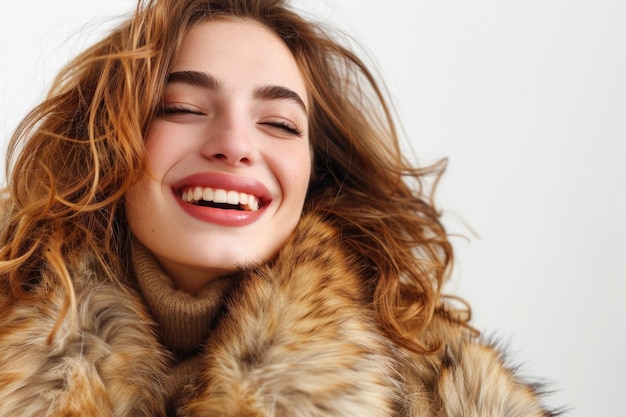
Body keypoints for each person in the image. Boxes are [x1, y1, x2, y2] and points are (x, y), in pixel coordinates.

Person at [0, 0, 560, 415]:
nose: (236, 144)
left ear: (316, 171)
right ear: (103, 140)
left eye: (279, 123)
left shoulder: (437, 393)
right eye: (184, 107)